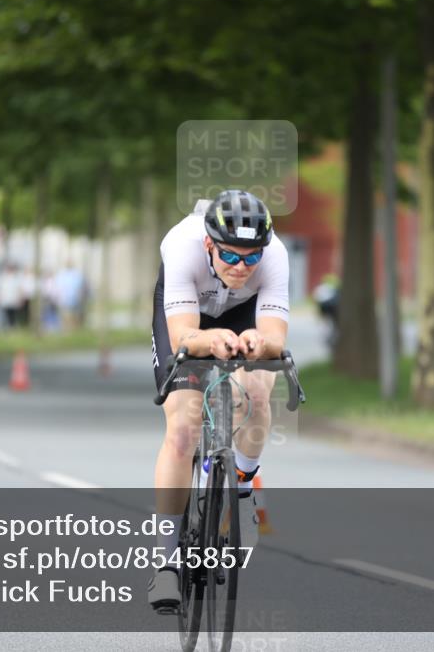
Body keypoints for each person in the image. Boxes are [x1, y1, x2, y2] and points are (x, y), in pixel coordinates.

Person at [146, 190, 290, 611]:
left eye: (251, 258)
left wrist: (257, 343)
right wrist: (209, 340)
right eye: (231, 256)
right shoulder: (182, 245)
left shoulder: (275, 255)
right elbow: (182, 337)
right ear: (210, 243)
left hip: (244, 317)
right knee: (184, 428)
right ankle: (166, 564)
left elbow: (275, 340)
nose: (242, 267)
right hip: (189, 318)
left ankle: (242, 489)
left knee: (259, 394)